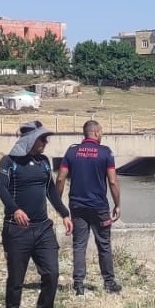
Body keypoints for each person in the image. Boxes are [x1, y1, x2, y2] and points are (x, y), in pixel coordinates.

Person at [0, 123, 71, 308]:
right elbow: (1, 188)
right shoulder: (9, 162)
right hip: (17, 229)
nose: (46, 143)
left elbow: (50, 189)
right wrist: (15, 209)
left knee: (52, 273)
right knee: (16, 279)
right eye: (42, 139)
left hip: (42, 228)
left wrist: (64, 213)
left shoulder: (44, 162)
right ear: (30, 140)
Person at [55, 119, 123, 296]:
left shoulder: (72, 151)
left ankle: (78, 285)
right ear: (96, 133)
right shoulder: (105, 153)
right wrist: (117, 204)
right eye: (101, 132)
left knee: (79, 245)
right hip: (99, 207)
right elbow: (113, 181)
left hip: (77, 206)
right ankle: (109, 283)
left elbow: (61, 178)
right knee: (104, 245)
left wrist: (58, 202)